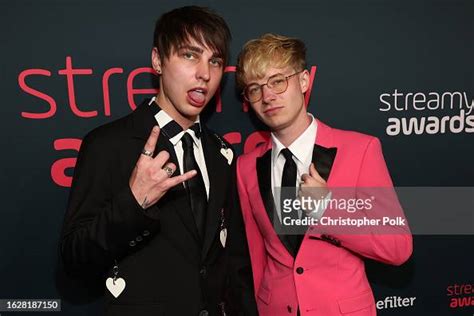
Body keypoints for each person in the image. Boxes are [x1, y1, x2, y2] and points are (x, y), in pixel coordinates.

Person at [60, 6, 256, 316]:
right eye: (190, 55)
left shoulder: (221, 153)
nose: (205, 73)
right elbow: (74, 259)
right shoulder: (108, 144)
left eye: (215, 61)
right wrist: (133, 203)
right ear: (157, 61)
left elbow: (233, 262)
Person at [235, 33, 413, 316]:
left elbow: (397, 247)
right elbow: (257, 259)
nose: (268, 96)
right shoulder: (245, 167)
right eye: (254, 88)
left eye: (278, 81)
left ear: (304, 80)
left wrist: (328, 210)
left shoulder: (360, 150)